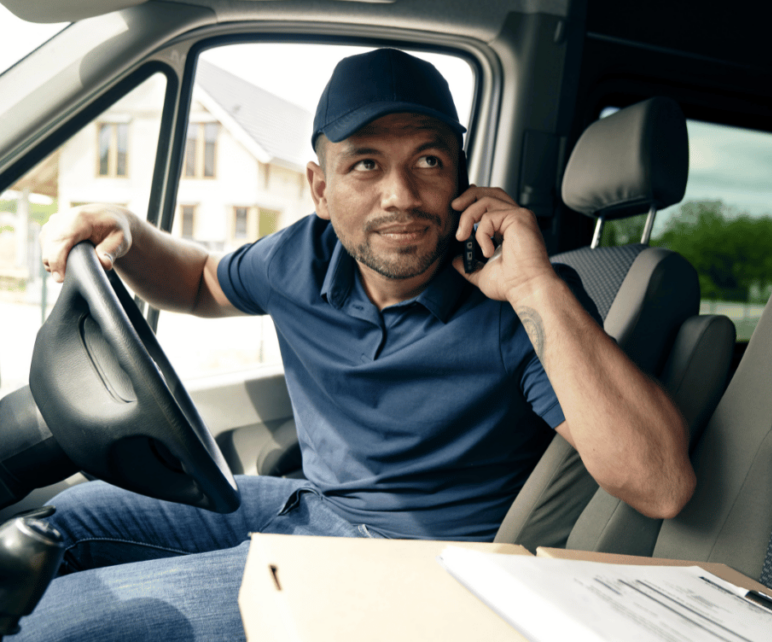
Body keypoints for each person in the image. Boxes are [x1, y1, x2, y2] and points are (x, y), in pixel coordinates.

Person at [21, 49, 695, 640]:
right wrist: (127, 230)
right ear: (321, 187)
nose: (400, 195)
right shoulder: (300, 257)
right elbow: (201, 280)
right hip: (310, 502)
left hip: (410, 568)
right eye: (365, 164)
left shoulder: (523, 299)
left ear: (462, 178)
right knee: (57, 527)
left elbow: (661, 485)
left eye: (428, 160)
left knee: (48, 625)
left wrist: (535, 287)